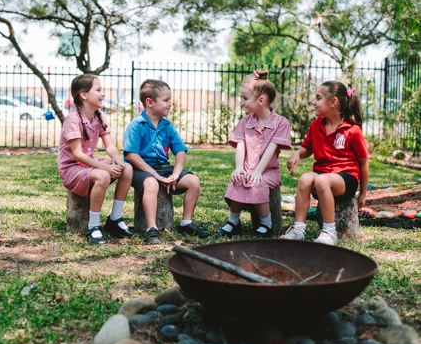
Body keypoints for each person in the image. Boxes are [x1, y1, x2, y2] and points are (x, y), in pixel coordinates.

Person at [123, 79, 211, 244]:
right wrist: (155, 175)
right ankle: (151, 229)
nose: (170, 104)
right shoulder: (136, 125)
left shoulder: (167, 126)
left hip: (164, 169)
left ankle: (186, 222)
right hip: (140, 170)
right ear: (149, 102)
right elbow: (131, 156)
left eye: (170, 99)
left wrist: (176, 174)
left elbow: (180, 151)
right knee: (151, 184)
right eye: (166, 100)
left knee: (193, 181)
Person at [281, 81, 368, 245]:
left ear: (333, 102)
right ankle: (299, 229)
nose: (313, 102)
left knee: (321, 180)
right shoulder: (315, 126)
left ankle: (329, 231)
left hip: (345, 178)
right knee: (305, 178)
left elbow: (363, 163)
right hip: (323, 175)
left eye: (318, 98)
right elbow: (308, 148)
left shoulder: (352, 130)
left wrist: (363, 193)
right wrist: (298, 153)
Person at [57, 74, 134, 245]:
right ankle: (93, 226)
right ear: (83, 95)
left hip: (88, 166)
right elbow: (78, 155)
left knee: (127, 168)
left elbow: (110, 146)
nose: (103, 94)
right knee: (103, 176)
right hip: (72, 169)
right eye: (98, 90)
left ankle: (114, 219)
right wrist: (105, 168)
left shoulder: (99, 115)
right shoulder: (73, 119)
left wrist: (117, 160)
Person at [217, 70, 292, 238]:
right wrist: (239, 168)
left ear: (261, 100)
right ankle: (233, 221)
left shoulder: (280, 123)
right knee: (238, 179)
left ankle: (266, 223)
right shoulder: (245, 122)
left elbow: (271, 148)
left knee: (258, 184)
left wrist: (258, 171)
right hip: (248, 168)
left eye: (245, 98)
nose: (242, 102)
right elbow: (240, 146)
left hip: (268, 171)